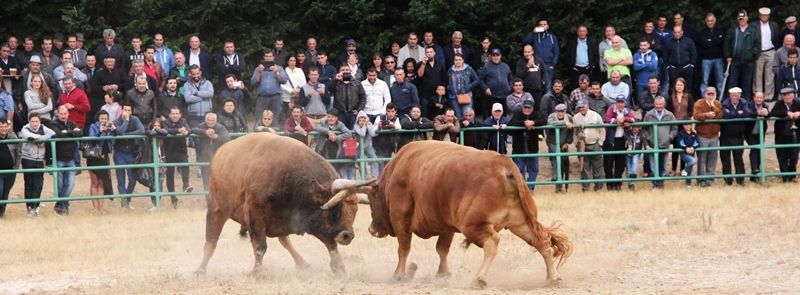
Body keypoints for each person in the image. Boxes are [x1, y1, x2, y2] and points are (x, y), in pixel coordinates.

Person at [19, 114, 54, 217]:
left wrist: (42, 139)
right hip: (28, 159)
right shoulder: (25, 128)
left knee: (38, 185)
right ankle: (29, 207)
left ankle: (36, 207)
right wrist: (41, 138)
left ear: (40, 121)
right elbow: (29, 137)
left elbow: (52, 134)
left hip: (39, 160)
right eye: (32, 121)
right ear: (29, 121)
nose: (34, 123)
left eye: (36, 121)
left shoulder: (43, 128)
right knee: (29, 184)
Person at [50, 106, 82, 216]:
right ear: (57, 114)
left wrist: (66, 132)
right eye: (61, 114)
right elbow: (57, 134)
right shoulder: (53, 123)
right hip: (59, 159)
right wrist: (71, 132)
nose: (63, 116)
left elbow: (80, 133)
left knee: (70, 184)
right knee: (59, 185)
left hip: (70, 159)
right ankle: (64, 207)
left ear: (68, 113)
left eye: (65, 113)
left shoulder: (72, 123)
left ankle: (59, 205)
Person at [112, 103, 145, 210]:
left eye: (129, 110)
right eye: (125, 110)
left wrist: (128, 134)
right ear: (122, 110)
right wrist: (126, 121)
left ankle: (127, 201)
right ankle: (124, 203)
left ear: (132, 111)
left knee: (132, 179)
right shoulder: (116, 121)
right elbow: (119, 132)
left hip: (131, 153)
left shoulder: (135, 119)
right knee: (121, 180)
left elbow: (141, 130)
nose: (127, 112)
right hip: (119, 152)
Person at [191, 113, 230, 200]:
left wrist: (216, 136)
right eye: (209, 120)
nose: (211, 122)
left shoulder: (220, 127)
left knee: (219, 180)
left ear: (216, 121)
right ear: (206, 120)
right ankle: (208, 201)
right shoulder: (201, 126)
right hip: (205, 158)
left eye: (213, 120)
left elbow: (227, 137)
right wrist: (205, 132)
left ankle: (219, 201)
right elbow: (193, 129)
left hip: (218, 158)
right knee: (207, 181)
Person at [724, 10, 761, 101]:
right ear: (737, 19)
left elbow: (757, 45)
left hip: (748, 61)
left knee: (747, 82)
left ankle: (746, 101)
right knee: (732, 81)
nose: (742, 20)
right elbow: (727, 44)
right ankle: (730, 100)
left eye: (743, 18)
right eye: (740, 19)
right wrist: (728, 56)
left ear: (747, 18)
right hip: (735, 60)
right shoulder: (733, 29)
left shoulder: (753, 31)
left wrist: (751, 55)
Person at [642, 96, 678, 189]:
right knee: (653, 166)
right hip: (652, 145)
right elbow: (644, 129)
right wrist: (649, 138)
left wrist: (670, 137)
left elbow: (674, 128)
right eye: (657, 104)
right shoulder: (648, 115)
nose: (658, 106)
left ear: (664, 104)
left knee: (663, 166)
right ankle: (656, 184)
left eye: (660, 104)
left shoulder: (670, 115)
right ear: (654, 104)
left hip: (665, 144)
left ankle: (660, 183)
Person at [692, 87, 723, 187]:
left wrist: (713, 106)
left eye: (712, 94)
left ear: (715, 95)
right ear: (705, 94)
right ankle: (701, 180)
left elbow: (720, 115)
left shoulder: (717, 103)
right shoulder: (699, 103)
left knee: (712, 158)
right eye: (709, 94)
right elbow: (696, 115)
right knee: (702, 158)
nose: (710, 96)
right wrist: (707, 115)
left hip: (714, 135)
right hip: (702, 135)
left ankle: (710, 179)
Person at [162, 107, 192, 208]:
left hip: (181, 150)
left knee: (185, 166)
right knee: (170, 175)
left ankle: (186, 185)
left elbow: (189, 130)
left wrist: (186, 132)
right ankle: (173, 198)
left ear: (180, 115)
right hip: (169, 151)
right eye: (173, 114)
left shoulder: (183, 121)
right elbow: (166, 131)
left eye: (177, 114)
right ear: (170, 115)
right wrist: (178, 130)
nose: (175, 115)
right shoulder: (165, 122)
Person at [573, 99, 606, 192]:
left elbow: (602, 129)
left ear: (587, 105)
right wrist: (577, 144)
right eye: (579, 107)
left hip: (595, 143)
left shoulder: (595, 116)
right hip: (582, 145)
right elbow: (575, 133)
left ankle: (598, 187)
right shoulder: (576, 118)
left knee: (597, 167)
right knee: (584, 167)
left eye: (582, 107)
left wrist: (600, 143)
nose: (581, 109)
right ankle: (585, 187)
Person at [604, 95, 636, 190]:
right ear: (615, 103)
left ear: (625, 103)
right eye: (618, 102)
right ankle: (610, 185)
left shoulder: (627, 111)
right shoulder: (611, 109)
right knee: (608, 164)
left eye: (622, 102)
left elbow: (633, 119)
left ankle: (618, 185)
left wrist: (625, 119)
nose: (620, 104)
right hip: (610, 141)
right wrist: (619, 121)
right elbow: (608, 119)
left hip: (622, 140)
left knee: (620, 164)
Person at [720, 87, 749, 186]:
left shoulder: (744, 102)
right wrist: (737, 112)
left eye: (736, 95)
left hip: (738, 136)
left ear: (740, 96)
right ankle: (728, 180)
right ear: (729, 96)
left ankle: (740, 180)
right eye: (732, 95)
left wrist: (732, 113)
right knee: (725, 159)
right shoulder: (724, 103)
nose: (734, 97)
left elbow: (746, 113)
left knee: (738, 159)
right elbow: (725, 115)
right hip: (725, 136)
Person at [86, 111, 114, 214]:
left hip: (104, 156)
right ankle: (95, 208)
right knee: (94, 182)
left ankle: (100, 208)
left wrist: (114, 130)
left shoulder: (109, 126)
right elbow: (92, 138)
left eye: (105, 118)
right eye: (102, 118)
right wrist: (100, 131)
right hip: (94, 156)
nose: (104, 120)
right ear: (98, 118)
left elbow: (114, 137)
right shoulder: (93, 126)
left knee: (102, 183)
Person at [770, 87, 800, 182]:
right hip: (781, 135)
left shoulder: (797, 104)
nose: (787, 97)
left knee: (794, 156)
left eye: (789, 95)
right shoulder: (779, 104)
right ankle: (785, 177)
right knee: (781, 156)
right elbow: (773, 112)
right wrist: (787, 113)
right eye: (785, 95)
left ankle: (792, 175)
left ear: (793, 95)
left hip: (795, 135)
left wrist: (799, 113)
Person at [313, 108, 353, 179]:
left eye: (332, 117)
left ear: (336, 118)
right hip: (323, 149)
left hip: (335, 149)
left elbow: (349, 133)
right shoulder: (323, 123)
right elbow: (316, 127)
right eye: (329, 116)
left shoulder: (340, 124)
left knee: (335, 169)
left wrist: (337, 137)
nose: (330, 119)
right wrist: (328, 131)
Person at [666, 77, 694, 176]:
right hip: (674, 125)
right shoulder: (671, 97)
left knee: (684, 147)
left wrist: (685, 119)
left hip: (685, 125)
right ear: (675, 86)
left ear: (684, 86)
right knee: (675, 148)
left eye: (681, 85)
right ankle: (673, 169)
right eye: (677, 85)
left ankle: (683, 169)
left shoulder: (688, 97)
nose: (679, 87)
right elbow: (669, 111)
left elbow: (691, 110)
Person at [751, 7, 780, 102]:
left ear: (769, 16)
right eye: (762, 15)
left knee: (770, 75)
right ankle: (758, 96)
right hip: (759, 52)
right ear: (759, 16)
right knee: (757, 75)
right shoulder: (754, 25)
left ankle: (768, 96)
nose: (764, 17)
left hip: (771, 51)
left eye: (766, 15)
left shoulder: (774, 25)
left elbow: (776, 38)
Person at [523, 19, 559, 92]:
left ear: (548, 26)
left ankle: (548, 103)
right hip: (537, 64)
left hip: (548, 65)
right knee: (536, 86)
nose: (543, 26)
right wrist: (533, 32)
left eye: (544, 24)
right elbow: (525, 41)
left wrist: (553, 64)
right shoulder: (535, 36)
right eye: (541, 24)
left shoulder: (552, 37)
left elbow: (556, 52)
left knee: (548, 87)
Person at [251, 49, 287, 124]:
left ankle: (274, 134)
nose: (268, 58)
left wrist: (276, 72)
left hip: (275, 97)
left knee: (275, 119)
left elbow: (284, 80)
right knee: (260, 119)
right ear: (264, 57)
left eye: (270, 56)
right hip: (262, 97)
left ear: (274, 57)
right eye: (266, 56)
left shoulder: (279, 68)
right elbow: (253, 82)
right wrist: (259, 72)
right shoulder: (258, 69)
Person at [545, 103, 573, 193]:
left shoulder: (569, 117)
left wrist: (567, 142)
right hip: (552, 142)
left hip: (563, 143)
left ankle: (560, 186)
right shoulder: (552, 116)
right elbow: (551, 123)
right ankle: (556, 177)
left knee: (563, 164)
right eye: (558, 111)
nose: (560, 113)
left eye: (562, 111)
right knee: (558, 157)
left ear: (565, 111)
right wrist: (564, 123)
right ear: (555, 111)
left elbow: (571, 131)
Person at [478, 48, 513, 117]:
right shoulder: (486, 67)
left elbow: (510, 78)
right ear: (491, 56)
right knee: (492, 115)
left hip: (504, 95)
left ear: (500, 56)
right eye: (494, 55)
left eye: (497, 55)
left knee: (504, 115)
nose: (495, 57)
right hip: (492, 96)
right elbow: (481, 79)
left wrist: (509, 88)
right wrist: (485, 88)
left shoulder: (506, 66)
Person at [699, 13, 726, 98]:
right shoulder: (702, 32)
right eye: (708, 21)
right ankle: (703, 100)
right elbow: (704, 43)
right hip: (706, 59)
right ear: (705, 21)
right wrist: (716, 40)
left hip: (719, 59)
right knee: (704, 81)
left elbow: (721, 40)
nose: (710, 22)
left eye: (711, 21)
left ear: (714, 21)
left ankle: (721, 100)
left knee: (720, 81)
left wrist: (710, 40)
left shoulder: (720, 30)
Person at [331, 62, 367, 128]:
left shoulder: (357, 82)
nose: (345, 72)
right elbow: (330, 89)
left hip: (353, 113)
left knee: (353, 134)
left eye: (347, 70)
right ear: (339, 71)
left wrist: (359, 110)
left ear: (350, 71)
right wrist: (335, 80)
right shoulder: (336, 82)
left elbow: (363, 96)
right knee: (342, 134)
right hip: (340, 113)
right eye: (343, 70)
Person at [745, 91, 770, 182]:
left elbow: (769, 114)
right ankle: (755, 169)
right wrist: (758, 113)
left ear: (763, 99)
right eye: (757, 97)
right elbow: (748, 113)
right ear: (754, 98)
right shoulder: (748, 105)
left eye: (760, 97)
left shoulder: (765, 106)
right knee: (755, 148)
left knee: (759, 150)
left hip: (760, 133)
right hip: (749, 133)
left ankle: (755, 174)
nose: (758, 99)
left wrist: (767, 113)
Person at [447, 54, 479, 119]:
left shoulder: (469, 69)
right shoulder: (450, 70)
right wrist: (449, 87)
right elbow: (447, 81)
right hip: (454, 96)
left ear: (463, 60)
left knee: (467, 116)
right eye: (456, 60)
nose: (458, 61)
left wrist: (469, 86)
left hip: (466, 95)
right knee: (457, 117)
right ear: (453, 61)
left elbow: (477, 80)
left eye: (459, 60)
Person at [372, 102, 402, 173]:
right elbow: (373, 131)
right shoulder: (379, 117)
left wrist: (393, 126)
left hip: (389, 147)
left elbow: (399, 127)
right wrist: (379, 127)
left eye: (392, 111)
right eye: (388, 111)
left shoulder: (396, 119)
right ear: (386, 111)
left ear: (395, 112)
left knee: (387, 168)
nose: (390, 113)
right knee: (381, 168)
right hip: (379, 146)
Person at [417, 47, 446, 118]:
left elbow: (443, 79)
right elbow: (419, 75)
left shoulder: (440, 65)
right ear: (425, 54)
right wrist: (423, 64)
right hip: (425, 94)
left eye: (431, 52)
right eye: (427, 52)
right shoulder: (420, 64)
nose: (429, 54)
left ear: (434, 53)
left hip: (437, 95)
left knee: (437, 115)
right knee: (425, 115)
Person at [515, 45, 547, 110]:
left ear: (532, 52)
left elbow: (544, 72)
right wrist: (527, 66)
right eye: (525, 52)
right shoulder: (520, 62)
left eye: (528, 52)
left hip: (538, 90)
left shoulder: (539, 60)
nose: (527, 54)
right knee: (527, 108)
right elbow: (518, 75)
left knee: (538, 109)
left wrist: (543, 82)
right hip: (526, 90)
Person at [0, 120, 20, 219]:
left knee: (5, 192)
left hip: (10, 170)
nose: (3, 129)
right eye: (1, 127)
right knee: (0, 190)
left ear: (8, 127)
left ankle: (2, 212)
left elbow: (18, 152)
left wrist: (16, 167)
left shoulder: (12, 137)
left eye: (5, 126)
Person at [184, 65, 214, 129]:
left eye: (197, 73)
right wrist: (204, 97)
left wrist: (196, 93)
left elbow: (210, 94)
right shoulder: (187, 84)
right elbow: (188, 99)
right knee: (195, 137)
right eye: (193, 74)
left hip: (207, 115)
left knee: (206, 137)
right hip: (193, 116)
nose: (196, 76)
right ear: (190, 74)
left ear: (200, 72)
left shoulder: (208, 83)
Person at [353, 111, 379, 180]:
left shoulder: (368, 124)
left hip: (367, 146)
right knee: (362, 163)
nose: (361, 122)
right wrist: (365, 126)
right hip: (358, 147)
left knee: (375, 159)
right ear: (357, 120)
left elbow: (373, 134)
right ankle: (365, 178)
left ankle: (374, 177)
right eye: (360, 120)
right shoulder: (355, 126)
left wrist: (367, 125)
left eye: (363, 120)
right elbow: (362, 133)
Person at [280, 55, 306, 121]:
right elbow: (281, 84)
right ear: (287, 62)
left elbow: (303, 82)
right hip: (287, 98)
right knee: (286, 116)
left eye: (294, 61)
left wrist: (298, 91)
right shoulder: (283, 71)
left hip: (297, 97)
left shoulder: (299, 70)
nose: (292, 62)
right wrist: (291, 91)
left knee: (298, 115)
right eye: (290, 61)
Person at [624, 125, 650, 190]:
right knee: (628, 167)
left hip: (637, 152)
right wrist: (629, 147)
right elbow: (628, 139)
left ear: (639, 128)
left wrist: (647, 147)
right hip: (628, 152)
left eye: (637, 127)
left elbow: (644, 140)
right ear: (631, 127)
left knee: (635, 162)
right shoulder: (628, 132)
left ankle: (633, 173)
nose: (635, 129)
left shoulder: (641, 133)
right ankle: (630, 184)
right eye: (634, 127)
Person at [677, 121, 700, 188]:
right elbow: (680, 142)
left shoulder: (693, 134)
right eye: (686, 125)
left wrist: (693, 147)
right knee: (693, 161)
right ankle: (685, 170)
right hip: (684, 153)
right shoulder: (681, 134)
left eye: (689, 125)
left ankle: (688, 184)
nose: (687, 126)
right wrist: (686, 148)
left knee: (690, 167)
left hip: (691, 152)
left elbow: (697, 142)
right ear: (683, 126)